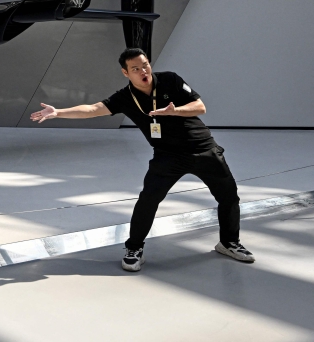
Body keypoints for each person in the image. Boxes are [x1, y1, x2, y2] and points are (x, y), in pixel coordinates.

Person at [29, 47, 254, 272]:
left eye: (145, 65)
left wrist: (174, 112)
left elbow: (200, 107)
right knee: (148, 201)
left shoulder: (170, 80)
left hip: (203, 149)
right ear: (126, 73)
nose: (143, 71)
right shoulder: (125, 98)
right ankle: (134, 248)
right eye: (135, 68)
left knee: (229, 198)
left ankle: (229, 243)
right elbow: (93, 109)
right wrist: (58, 112)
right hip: (168, 156)